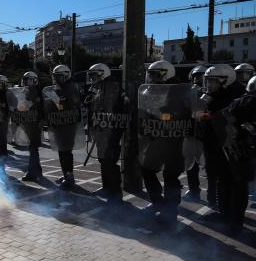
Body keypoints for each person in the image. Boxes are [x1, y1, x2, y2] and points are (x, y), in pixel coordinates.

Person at [138, 61, 188, 223]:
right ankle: (158, 202)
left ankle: (171, 210)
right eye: (150, 74)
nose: (151, 78)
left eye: (155, 74)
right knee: (146, 168)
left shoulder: (179, 91)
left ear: (166, 74)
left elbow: (186, 114)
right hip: (156, 137)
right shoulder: (150, 90)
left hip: (174, 140)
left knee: (171, 175)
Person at [85, 63, 129, 203]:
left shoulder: (113, 88)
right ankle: (106, 187)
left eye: (94, 75)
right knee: (103, 160)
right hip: (101, 129)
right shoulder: (98, 89)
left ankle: (116, 192)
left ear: (102, 73)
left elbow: (118, 109)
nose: (92, 79)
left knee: (110, 160)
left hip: (111, 130)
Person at [199, 64, 239, 210]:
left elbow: (227, 117)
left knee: (225, 178)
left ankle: (224, 210)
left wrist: (207, 116)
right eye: (208, 81)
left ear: (225, 80)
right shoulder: (214, 95)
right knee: (212, 175)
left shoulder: (235, 95)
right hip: (211, 141)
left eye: (213, 81)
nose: (210, 85)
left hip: (226, 143)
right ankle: (213, 205)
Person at [223, 76, 256, 231]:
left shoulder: (239, 102)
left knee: (240, 188)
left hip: (242, 151)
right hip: (246, 149)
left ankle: (235, 224)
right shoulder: (243, 102)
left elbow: (225, 124)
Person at [46, 65, 82, 189]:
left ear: (66, 76)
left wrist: (58, 101)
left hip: (67, 125)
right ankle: (66, 174)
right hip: (60, 124)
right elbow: (57, 105)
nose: (56, 79)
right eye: (55, 77)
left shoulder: (71, 87)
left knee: (66, 152)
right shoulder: (59, 88)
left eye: (59, 77)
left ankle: (69, 177)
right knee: (62, 152)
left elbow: (69, 104)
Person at [184, 65, 208, 201]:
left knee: (209, 166)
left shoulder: (211, 94)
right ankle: (194, 190)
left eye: (202, 77)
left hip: (206, 134)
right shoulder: (189, 92)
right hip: (191, 132)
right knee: (191, 163)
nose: (198, 80)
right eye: (196, 77)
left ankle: (212, 194)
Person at [18, 71, 43, 182]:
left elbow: (39, 107)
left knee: (33, 148)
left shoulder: (37, 92)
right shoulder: (25, 91)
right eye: (25, 80)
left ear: (34, 80)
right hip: (28, 123)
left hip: (34, 123)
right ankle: (37, 170)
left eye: (28, 80)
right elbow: (22, 106)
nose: (26, 82)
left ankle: (32, 173)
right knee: (33, 148)